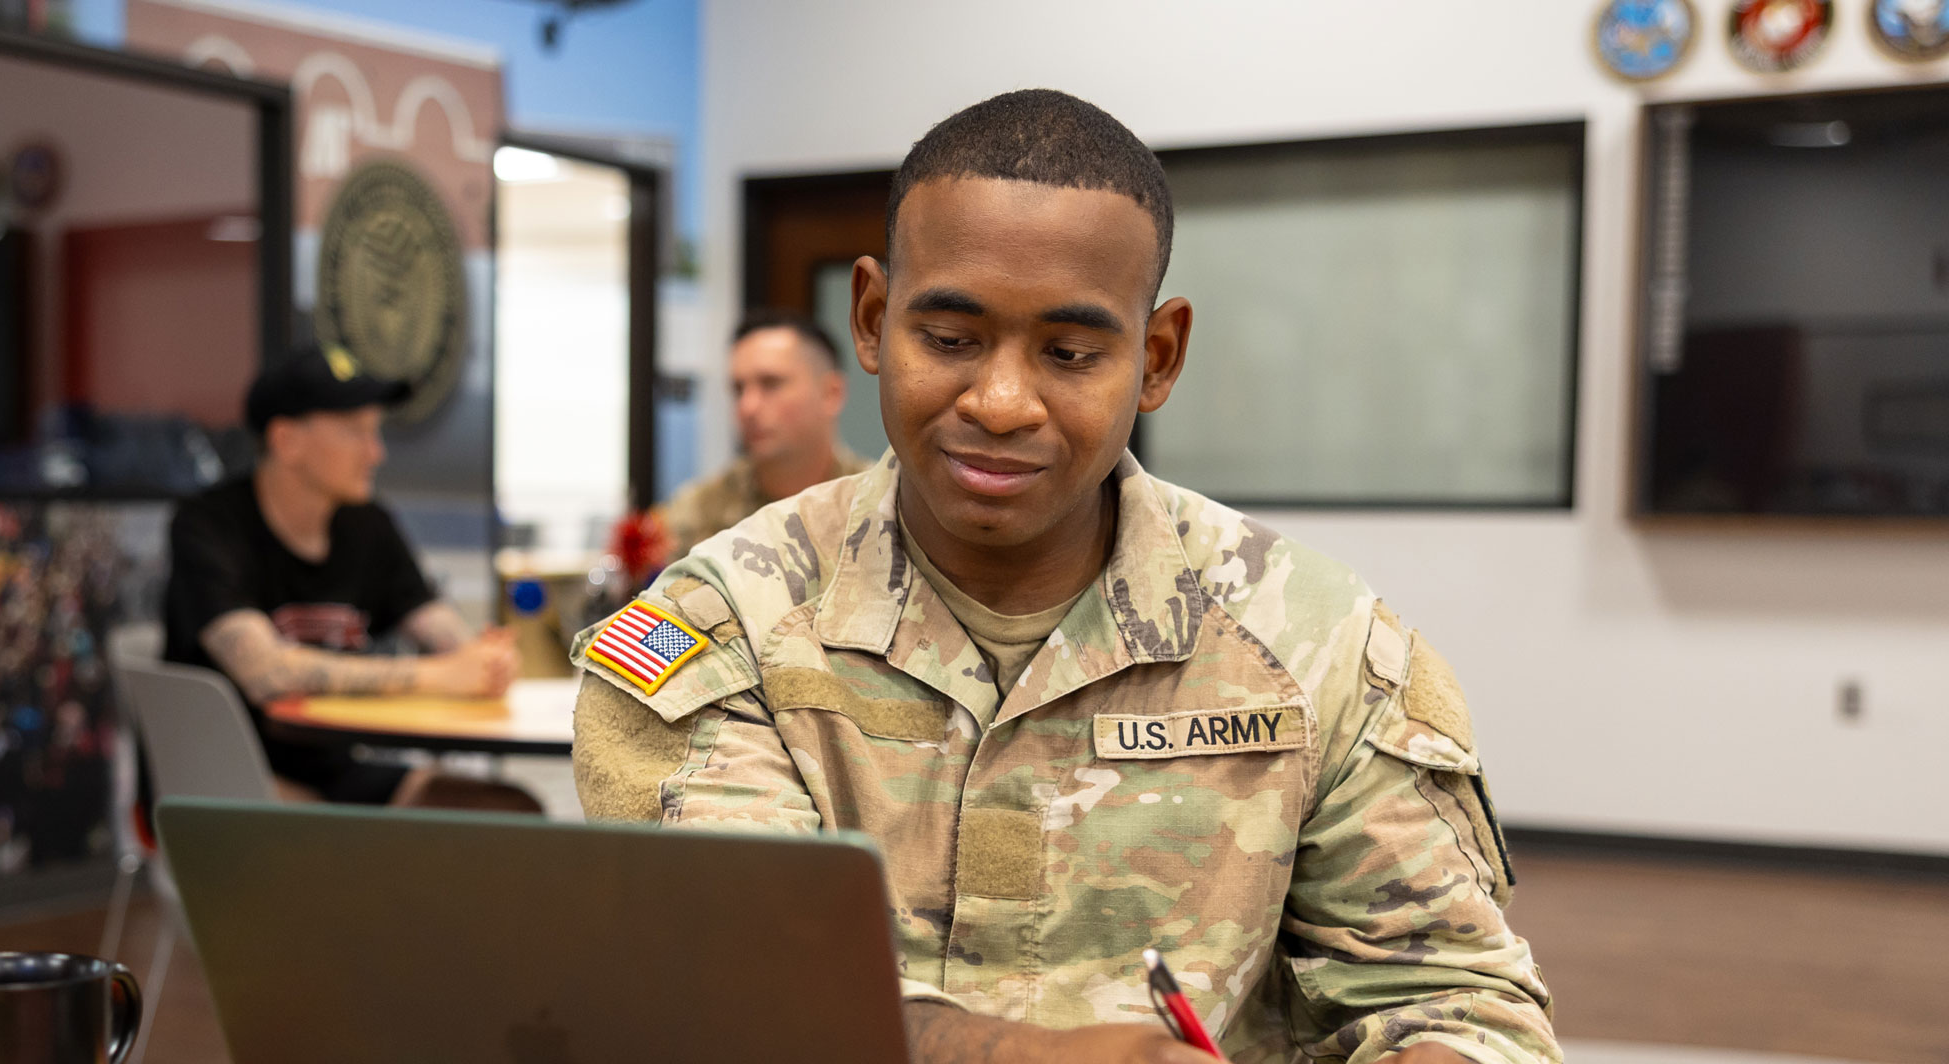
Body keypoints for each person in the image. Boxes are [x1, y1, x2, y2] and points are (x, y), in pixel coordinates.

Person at [569, 90, 1556, 1064]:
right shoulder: (723, 623)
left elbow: (1450, 996)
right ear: (871, 319)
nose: (1000, 402)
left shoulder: (1314, 643)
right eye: (948, 340)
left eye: (1070, 352)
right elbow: (736, 980)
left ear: (1156, 356)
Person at [162, 344, 528, 808]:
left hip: (336, 768)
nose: (376, 454)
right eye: (356, 432)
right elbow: (265, 672)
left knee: (507, 810)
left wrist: (483, 660)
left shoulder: (366, 524)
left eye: (376, 432)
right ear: (286, 441)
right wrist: (438, 676)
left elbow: (437, 625)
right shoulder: (209, 525)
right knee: (415, 849)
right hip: (228, 782)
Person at [655, 312, 870, 560]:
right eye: (738, 389)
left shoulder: (881, 507)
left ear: (831, 393)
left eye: (771, 384)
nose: (748, 406)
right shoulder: (695, 515)